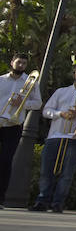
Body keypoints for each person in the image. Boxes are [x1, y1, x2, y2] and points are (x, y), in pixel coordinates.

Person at [31, 65, 76, 212]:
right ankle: (42, 201)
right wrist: (61, 114)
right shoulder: (61, 91)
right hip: (55, 135)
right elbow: (46, 111)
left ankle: (58, 203)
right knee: (46, 170)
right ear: (74, 73)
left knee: (67, 173)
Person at [0, 53, 41, 206]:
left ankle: (1, 198)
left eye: (24, 63)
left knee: (5, 161)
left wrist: (22, 103)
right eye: (18, 62)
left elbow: (37, 104)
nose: (21, 65)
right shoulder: (1, 80)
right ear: (12, 62)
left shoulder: (31, 83)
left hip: (14, 125)